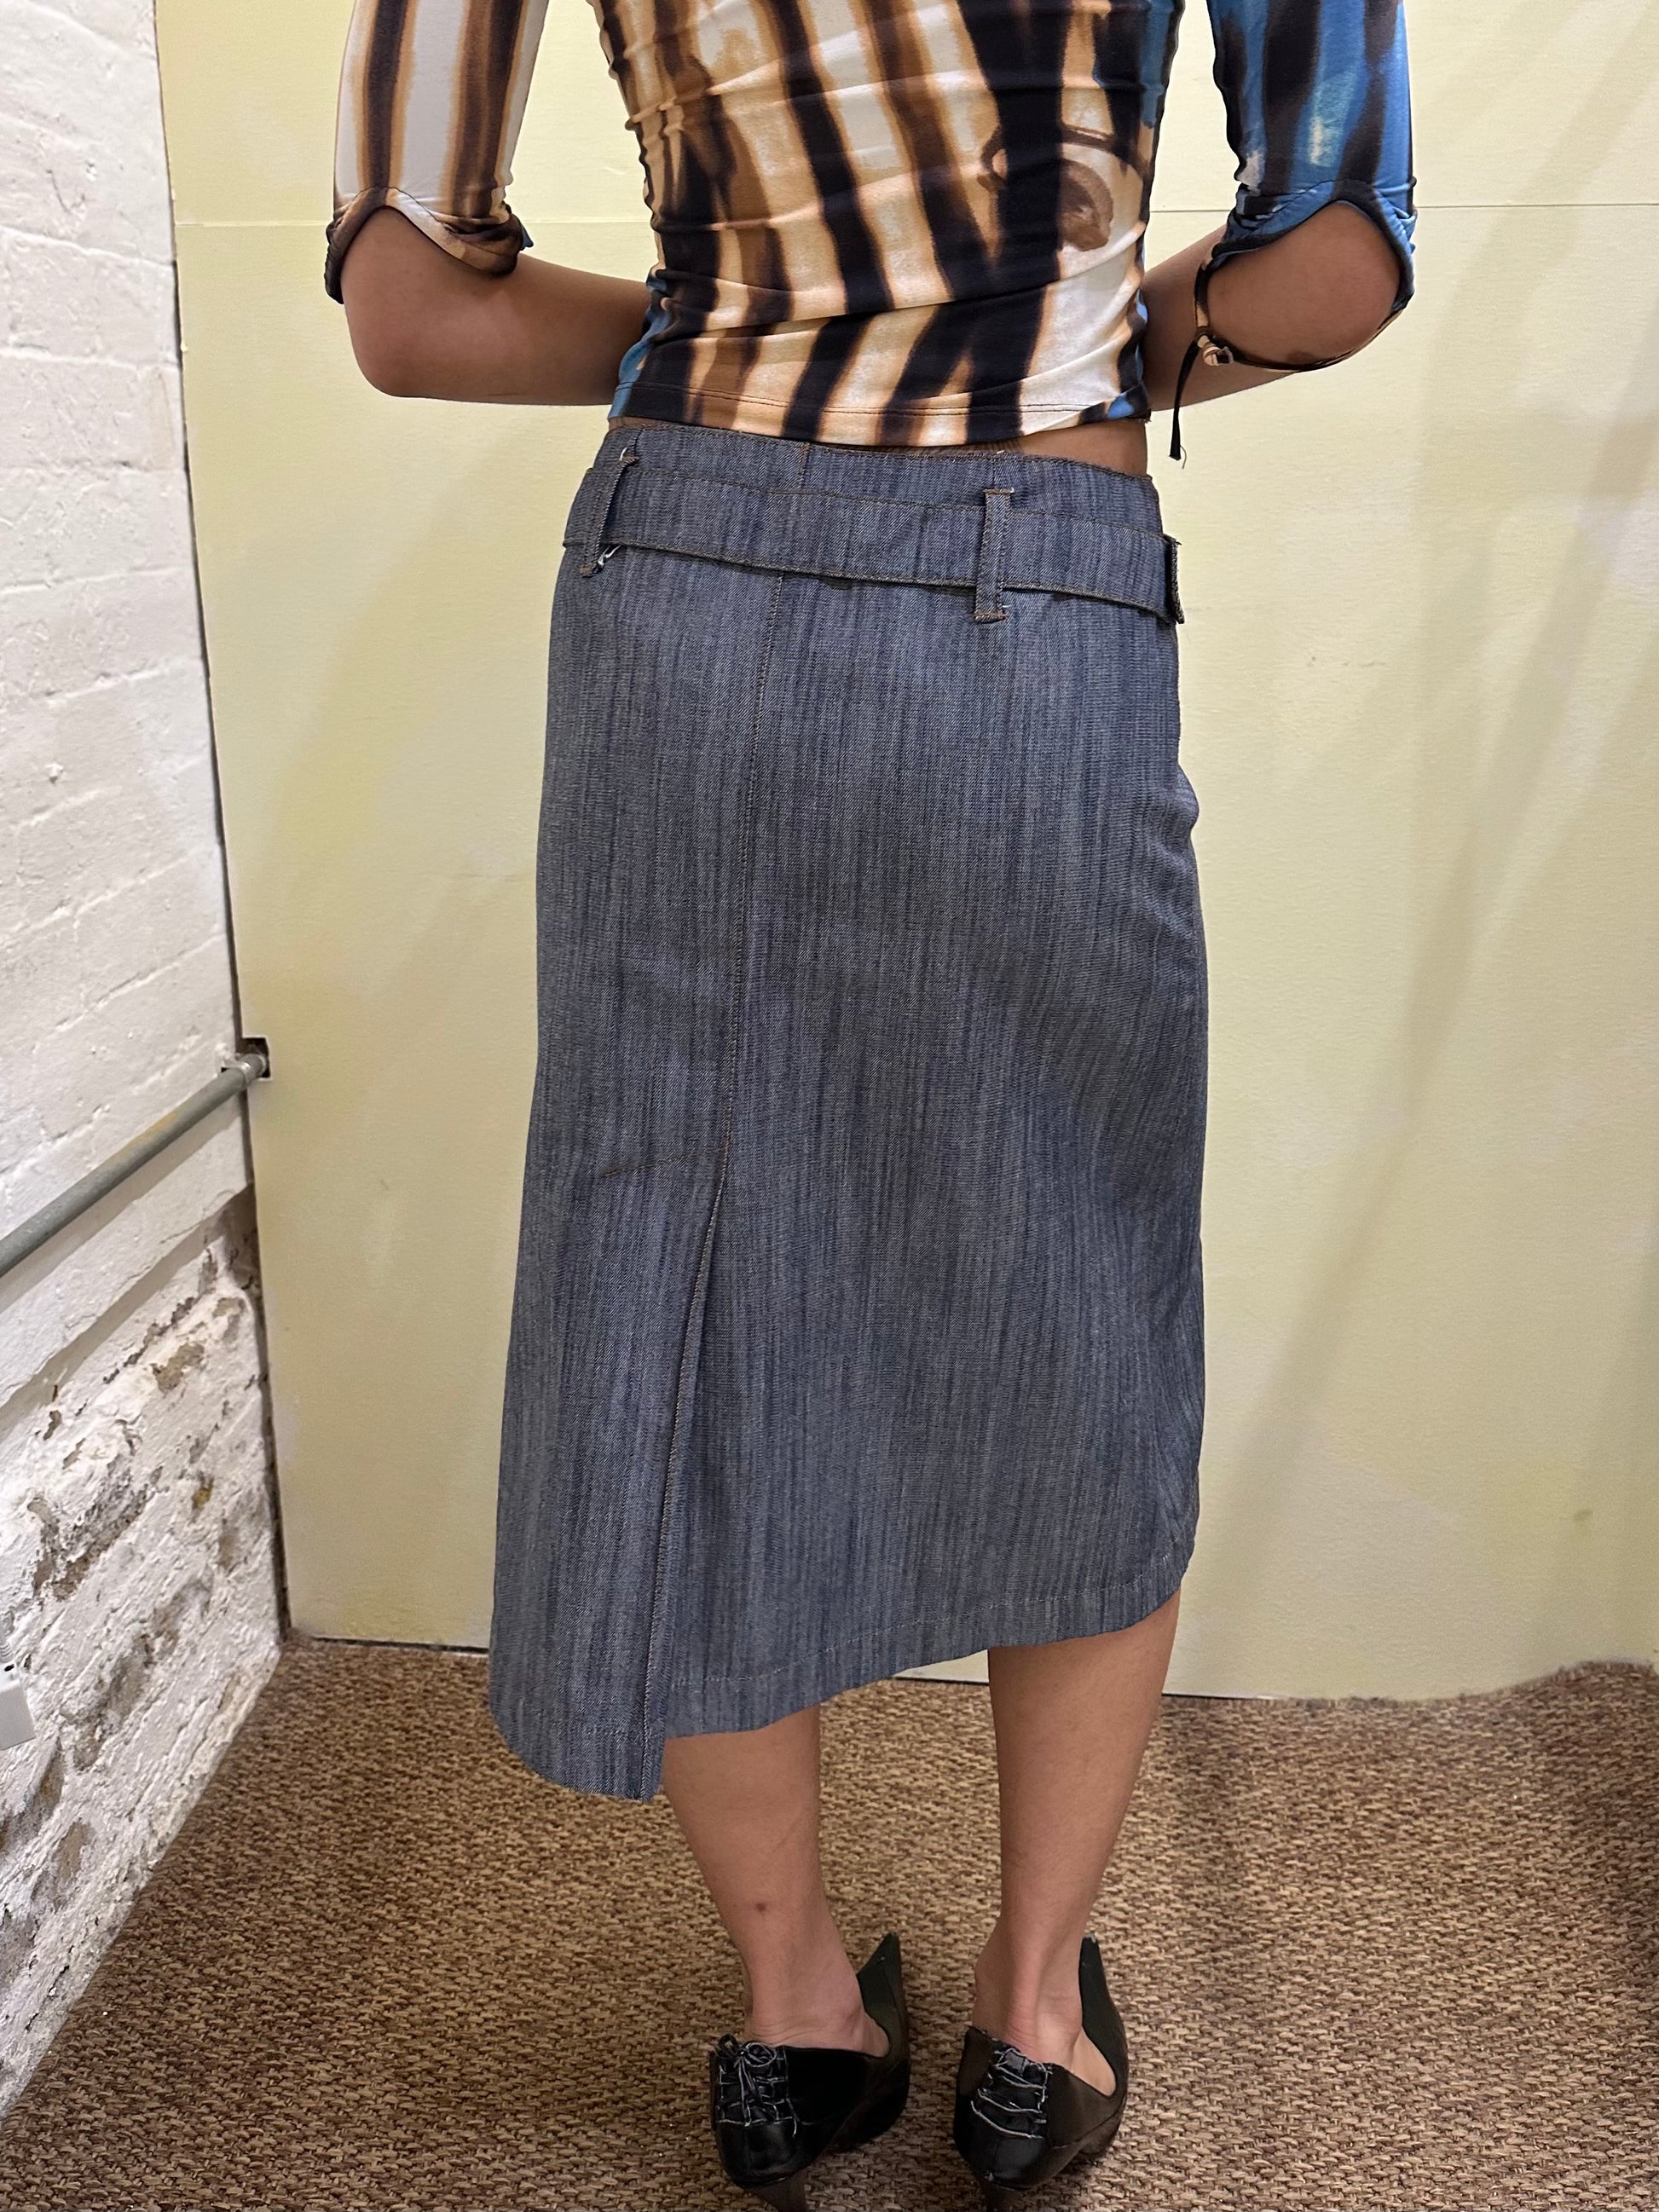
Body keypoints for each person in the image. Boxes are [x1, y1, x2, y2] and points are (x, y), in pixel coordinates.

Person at [326, 1, 1414, 2202]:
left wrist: (745, 336)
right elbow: (1329, 269)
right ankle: (1030, 2026)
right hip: (1039, 580)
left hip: (680, 591)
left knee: (689, 1295)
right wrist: (1067, 335)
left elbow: (412, 313)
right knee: (1075, 1292)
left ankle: (794, 2025)